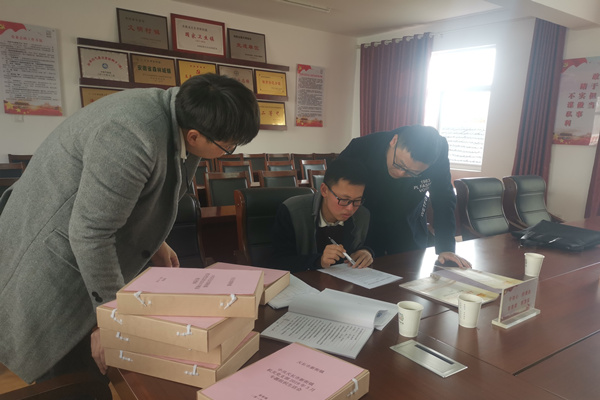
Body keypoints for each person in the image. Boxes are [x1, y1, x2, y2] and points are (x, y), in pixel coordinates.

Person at [0, 74, 260, 384]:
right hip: (50, 252)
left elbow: (139, 195)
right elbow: (90, 234)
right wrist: (112, 318)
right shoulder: (132, 134)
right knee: (65, 367)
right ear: (194, 136)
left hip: (82, 239)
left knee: (100, 360)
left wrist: (156, 241)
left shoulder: (180, 113)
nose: (230, 151)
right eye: (228, 147)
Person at [338, 125, 471, 268]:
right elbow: (334, 192)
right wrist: (362, 245)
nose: (401, 173)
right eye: (399, 164)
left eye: (412, 173)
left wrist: (446, 247)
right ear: (394, 141)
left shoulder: (438, 151)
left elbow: (443, 198)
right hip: (365, 228)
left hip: (409, 229)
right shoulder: (361, 148)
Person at [271, 157, 373, 272]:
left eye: (357, 200)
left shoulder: (362, 215)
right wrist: (318, 261)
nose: (350, 208)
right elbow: (278, 262)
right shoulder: (292, 211)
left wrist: (366, 251)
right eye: (344, 199)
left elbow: (369, 245)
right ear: (324, 190)